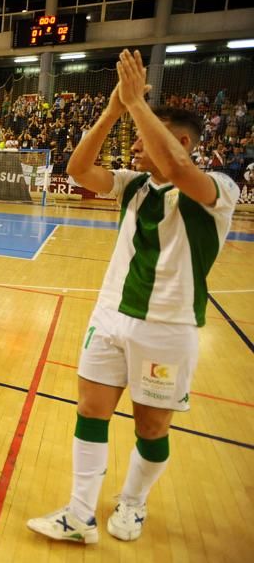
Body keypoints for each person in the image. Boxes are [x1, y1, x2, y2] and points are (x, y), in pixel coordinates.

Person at [27, 50, 239, 545]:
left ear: (178, 141)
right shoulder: (134, 185)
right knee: (90, 409)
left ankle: (133, 500)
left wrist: (139, 105)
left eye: (144, 139)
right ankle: (80, 514)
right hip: (110, 317)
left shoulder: (217, 190)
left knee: (151, 427)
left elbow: (182, 171)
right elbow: (80, 169)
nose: (135, 147)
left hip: (167, 329)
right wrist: (116, 109)